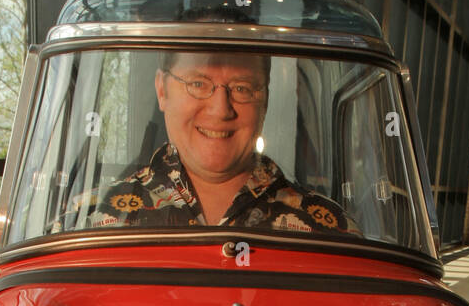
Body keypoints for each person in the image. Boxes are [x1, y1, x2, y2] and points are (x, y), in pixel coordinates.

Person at [88, 50, 357, 235]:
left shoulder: (331, 230)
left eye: (242, 88)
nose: (220, 109)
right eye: (198, 83)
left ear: (264, 99)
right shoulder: (91, 220)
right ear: (162, 89)